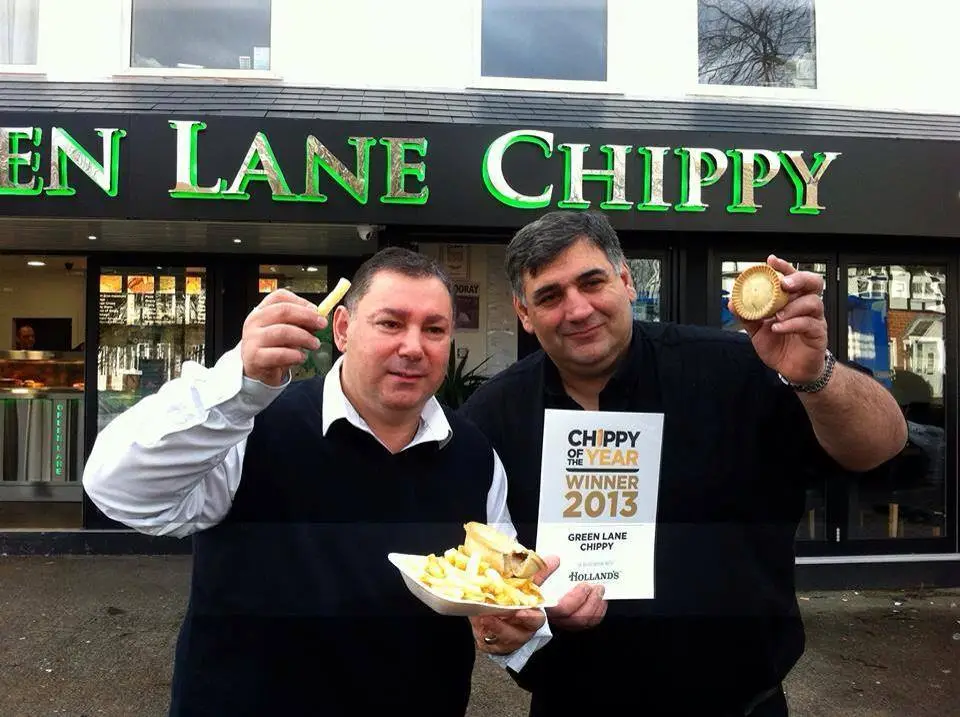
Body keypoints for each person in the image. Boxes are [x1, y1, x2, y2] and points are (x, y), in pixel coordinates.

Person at [459, 211, 908, 716]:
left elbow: (881, 445)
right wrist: (499, 619)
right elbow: (477, 562)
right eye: (549, 296)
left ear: (626, 281)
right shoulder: (491, 416)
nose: (577, 309)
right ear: (524, 313)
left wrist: (815, 375)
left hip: (738, 703)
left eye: (592, 282)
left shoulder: (736, 368)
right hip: (573, 702)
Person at [82, 248, 552, 716]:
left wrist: (512, 630)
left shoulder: (474, 455)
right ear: (343, 329)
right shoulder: (248, 425)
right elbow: (118, 491)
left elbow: (502, 592)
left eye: (434, 329)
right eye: (390, 323)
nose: (413, 347)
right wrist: (240, 382)